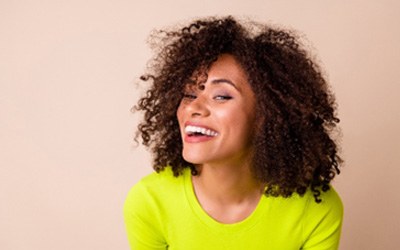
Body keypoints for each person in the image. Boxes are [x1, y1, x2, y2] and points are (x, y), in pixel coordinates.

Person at [124, 16, 343, 250]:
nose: (193, 108)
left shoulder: (316, 209)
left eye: (221, 96)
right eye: (189, 94)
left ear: (265, 115)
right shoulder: (150, 202)